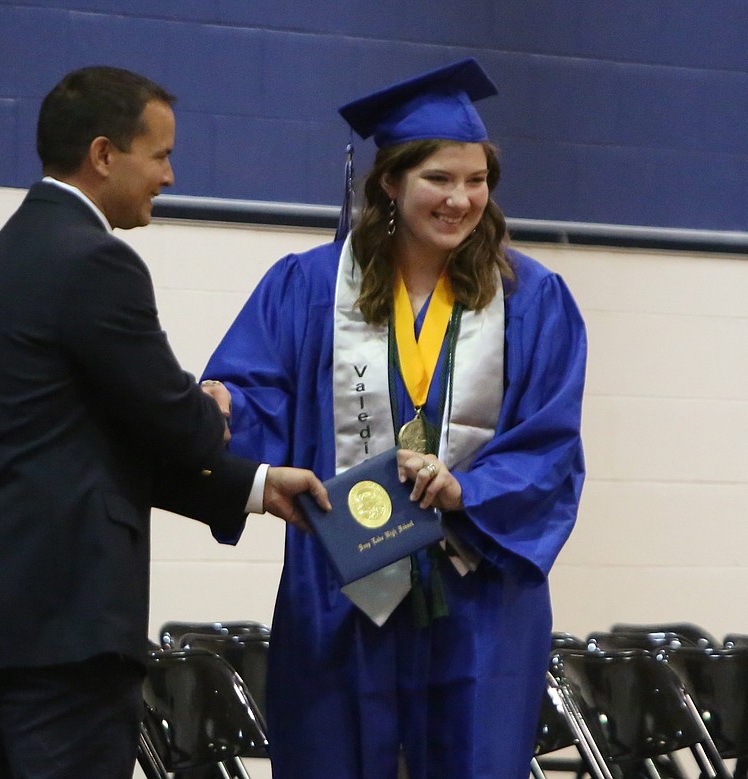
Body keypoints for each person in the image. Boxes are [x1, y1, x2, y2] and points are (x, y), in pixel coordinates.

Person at [0, 66, 329, 779]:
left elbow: (88, 445)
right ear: (105, 155)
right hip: (63, 624)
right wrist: (213, 409)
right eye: (160, 154)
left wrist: (256, 486)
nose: (169, 175)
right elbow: (180, 427)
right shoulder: (97, 261)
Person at [202, 58, 587, 779]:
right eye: (439, 179)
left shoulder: (532, 298)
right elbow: (254, 396)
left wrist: (467, 489)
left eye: (476, 181)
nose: (461, 199)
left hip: (479, 595)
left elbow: (552, 443)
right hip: (346, 583)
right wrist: (220, 413)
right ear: (390, 181)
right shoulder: (309, 286)